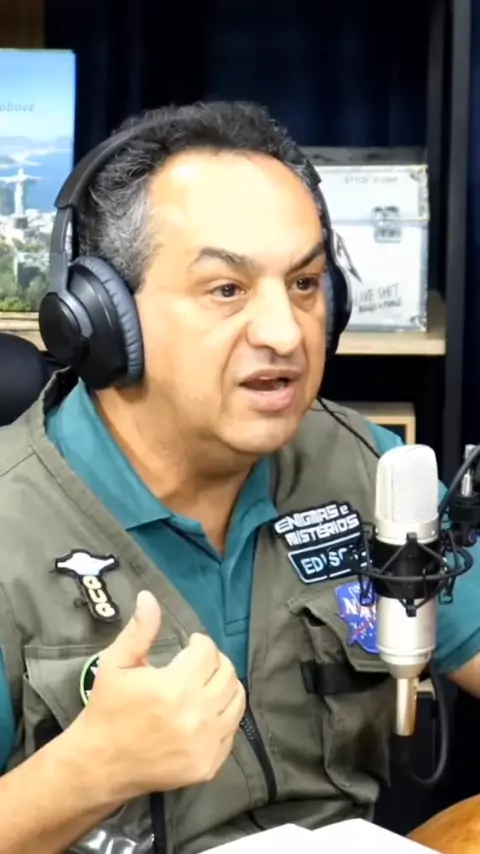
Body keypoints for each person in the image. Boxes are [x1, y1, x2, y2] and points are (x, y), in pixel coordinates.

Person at [0, 101, 479, 854]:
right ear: (102, 318)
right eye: (227, 289)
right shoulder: (10, 527)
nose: (286, 333)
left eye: (306, 283)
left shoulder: (361, 466)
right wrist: (86, 773)